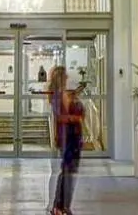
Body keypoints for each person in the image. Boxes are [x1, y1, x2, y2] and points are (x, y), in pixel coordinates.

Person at [51, 70, 83, 215]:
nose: (67, 78)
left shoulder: (65, 95)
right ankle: (59, 206)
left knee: (69, 172)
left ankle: (63, 206)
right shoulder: (58, 96)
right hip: (67, 138)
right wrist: (74, 118)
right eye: (65, 76)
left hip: (73, 137)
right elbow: (60, 117)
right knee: (67, 173)